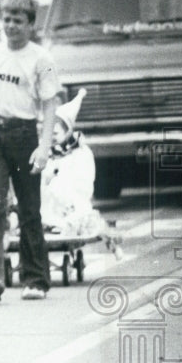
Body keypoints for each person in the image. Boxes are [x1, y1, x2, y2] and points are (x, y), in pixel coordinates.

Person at [0, 0, 61, 302]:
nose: (11, 25)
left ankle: (35, 280)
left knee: (29, 209)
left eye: (18, 20)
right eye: (7, 19)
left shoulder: (42, 59)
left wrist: (44, 146)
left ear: (30, 25)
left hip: (25, 134)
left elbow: (51, 104)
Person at [41, 89, 123, 256]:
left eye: (56, 133)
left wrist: (67, 196)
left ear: (67, 131)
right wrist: (47, 180)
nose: (52, 138)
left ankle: (112, 245)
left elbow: (84, 182)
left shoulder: (81, 153)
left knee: (80, 217)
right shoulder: (48, 154)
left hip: (73, 202)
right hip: (51, 204)